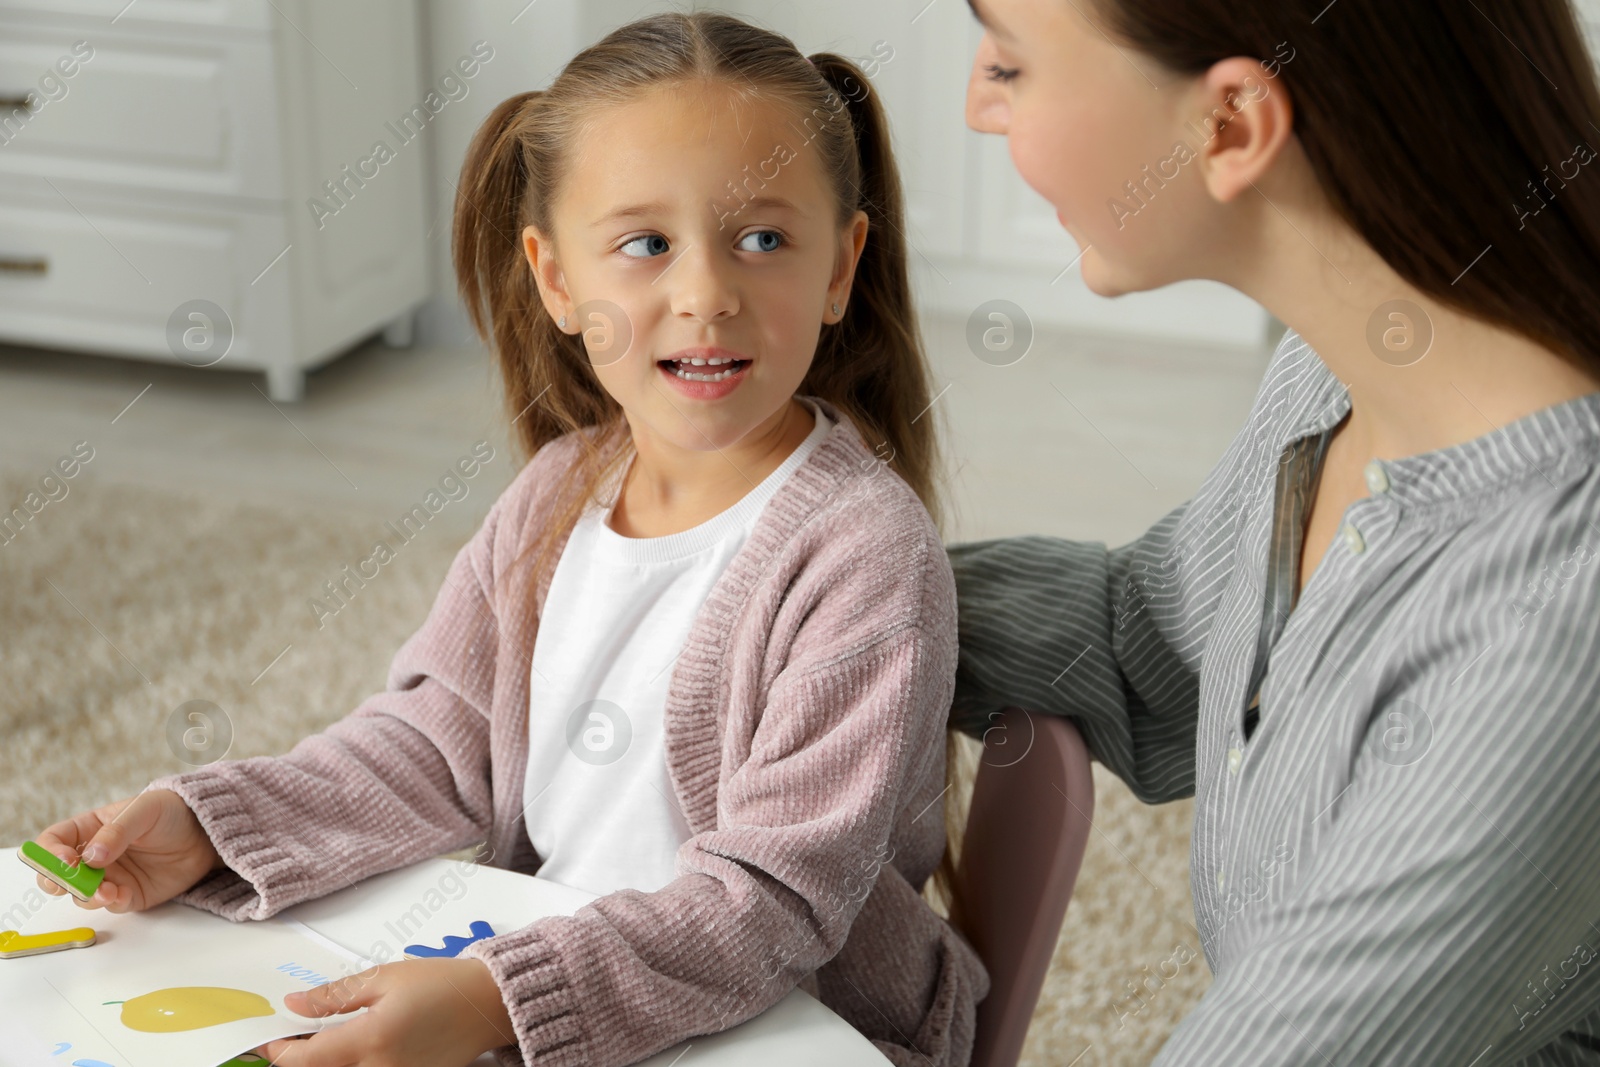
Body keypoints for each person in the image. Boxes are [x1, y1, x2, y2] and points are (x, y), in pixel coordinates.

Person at [28, 13, 986, 1066]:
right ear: (556, 279)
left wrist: (492, 1000)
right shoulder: (554, 494)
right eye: (643, 243)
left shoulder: (864, 556)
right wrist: (211, 820)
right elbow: (438, 739)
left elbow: (771, 901)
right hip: (561, 989)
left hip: (798, 1022)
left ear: (842, 265)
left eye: (763, 238)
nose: (706, 293)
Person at [951, 0, 1600, 1061]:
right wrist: (775, 584)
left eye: (1013, 65)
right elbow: (1147, 642)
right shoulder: (1339, 374)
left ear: (1231, 124)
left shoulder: (1552, 625)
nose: (979, 102)